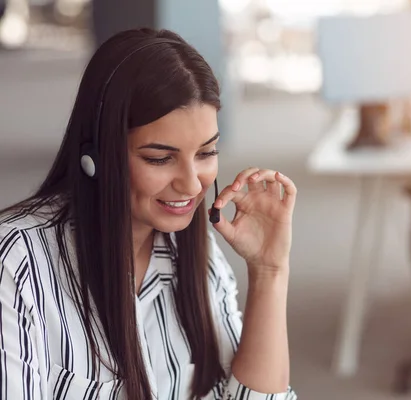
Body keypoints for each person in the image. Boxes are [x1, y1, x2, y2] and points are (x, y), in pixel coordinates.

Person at [0, 28, 298, 400]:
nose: (192, 185)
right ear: (97, 157)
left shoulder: (194, 250)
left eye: (206, 153)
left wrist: (270, 270)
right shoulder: (17, 264)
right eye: (160, 158)